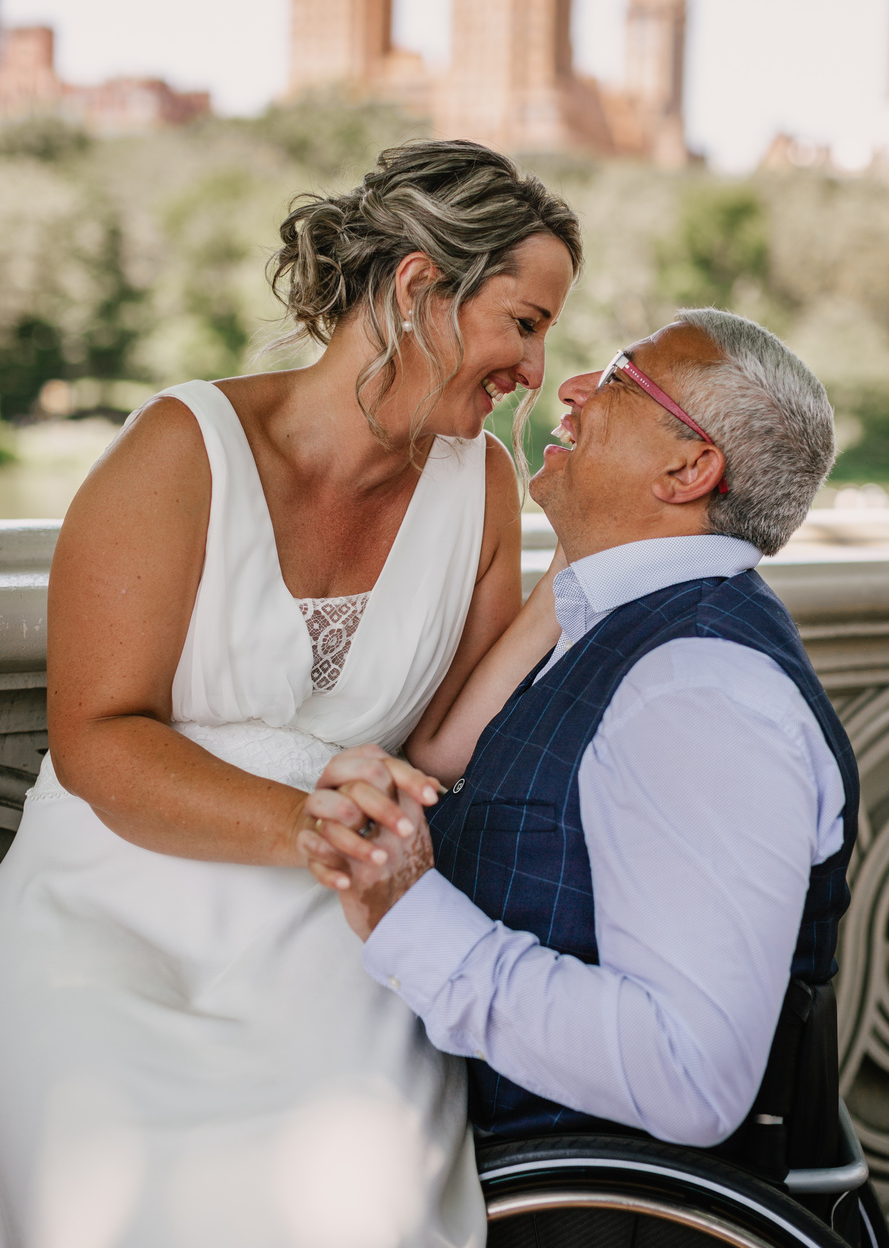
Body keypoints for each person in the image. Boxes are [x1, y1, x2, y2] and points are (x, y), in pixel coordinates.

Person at [0, 140, 581, 1248]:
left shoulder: (483, 488)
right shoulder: (183, 450)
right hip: (113, 901)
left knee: (359, 1197)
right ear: (420, 289)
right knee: (107, 1191)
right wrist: (308, 824)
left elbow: (446, 744)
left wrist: (572, 576)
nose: (535, 370)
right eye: (524, 321)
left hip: (338, 925)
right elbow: (97, 741)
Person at [302, 309, 858, 1153]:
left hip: (572, 1205)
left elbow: (690, 1075)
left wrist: (405, 912)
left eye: (617, 378)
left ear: (688, 467)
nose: (567, 385)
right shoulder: (626, 624)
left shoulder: (698, 690)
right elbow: (447, 753)